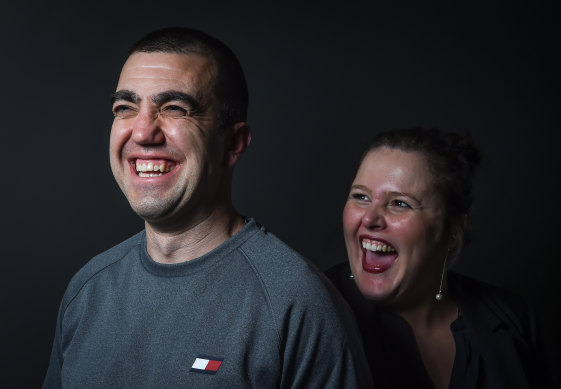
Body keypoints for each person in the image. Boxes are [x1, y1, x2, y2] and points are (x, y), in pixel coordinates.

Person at [43, 27, 372, 388]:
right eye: (126, 107)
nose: (142, 132)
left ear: (233, 144)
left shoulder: (298, 305)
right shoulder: (87, 291)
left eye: (174, 108)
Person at [326, 127, 549, 389]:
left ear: (452, 230)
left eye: (400, 203)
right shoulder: (314, 314)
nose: (370, 218)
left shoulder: (513, 320)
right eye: (360, 197)